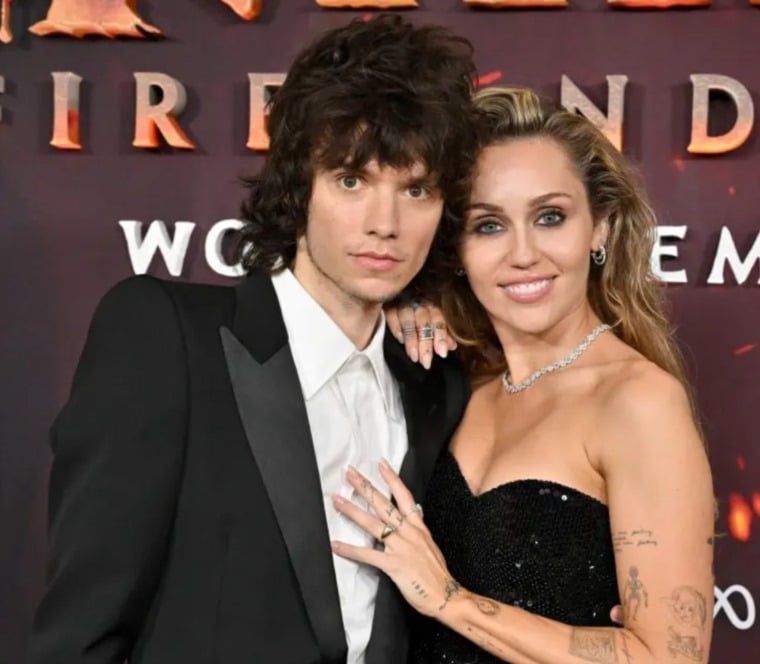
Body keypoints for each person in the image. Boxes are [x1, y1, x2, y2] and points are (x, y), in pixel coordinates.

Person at [28, 15, 477, 664]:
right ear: (298, 185)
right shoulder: (168, 340)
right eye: (352, 180)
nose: (386, 223)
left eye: (416, 189)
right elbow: (79, 635)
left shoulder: (437, 383)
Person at [332, 86, 715, 663]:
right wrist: (406, 307)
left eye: (550, 217)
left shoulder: (638, 402)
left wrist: (450, 600)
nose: (523, 254)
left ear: (600, 228)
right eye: (488, 226)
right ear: (456, 249)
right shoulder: (457, 384)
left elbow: (670, 658)